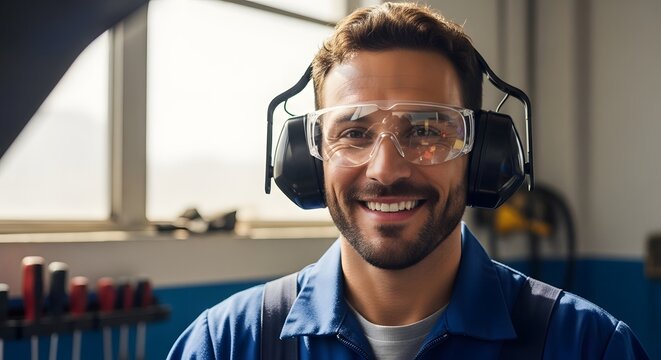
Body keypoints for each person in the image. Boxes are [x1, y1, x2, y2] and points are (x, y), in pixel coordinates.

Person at [168, 2, 649, 359]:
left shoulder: (590, 346)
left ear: (482, 153)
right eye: (353, 133)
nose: (386, 169)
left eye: (425, 130)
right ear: (308, 159)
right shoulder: (226, 344)